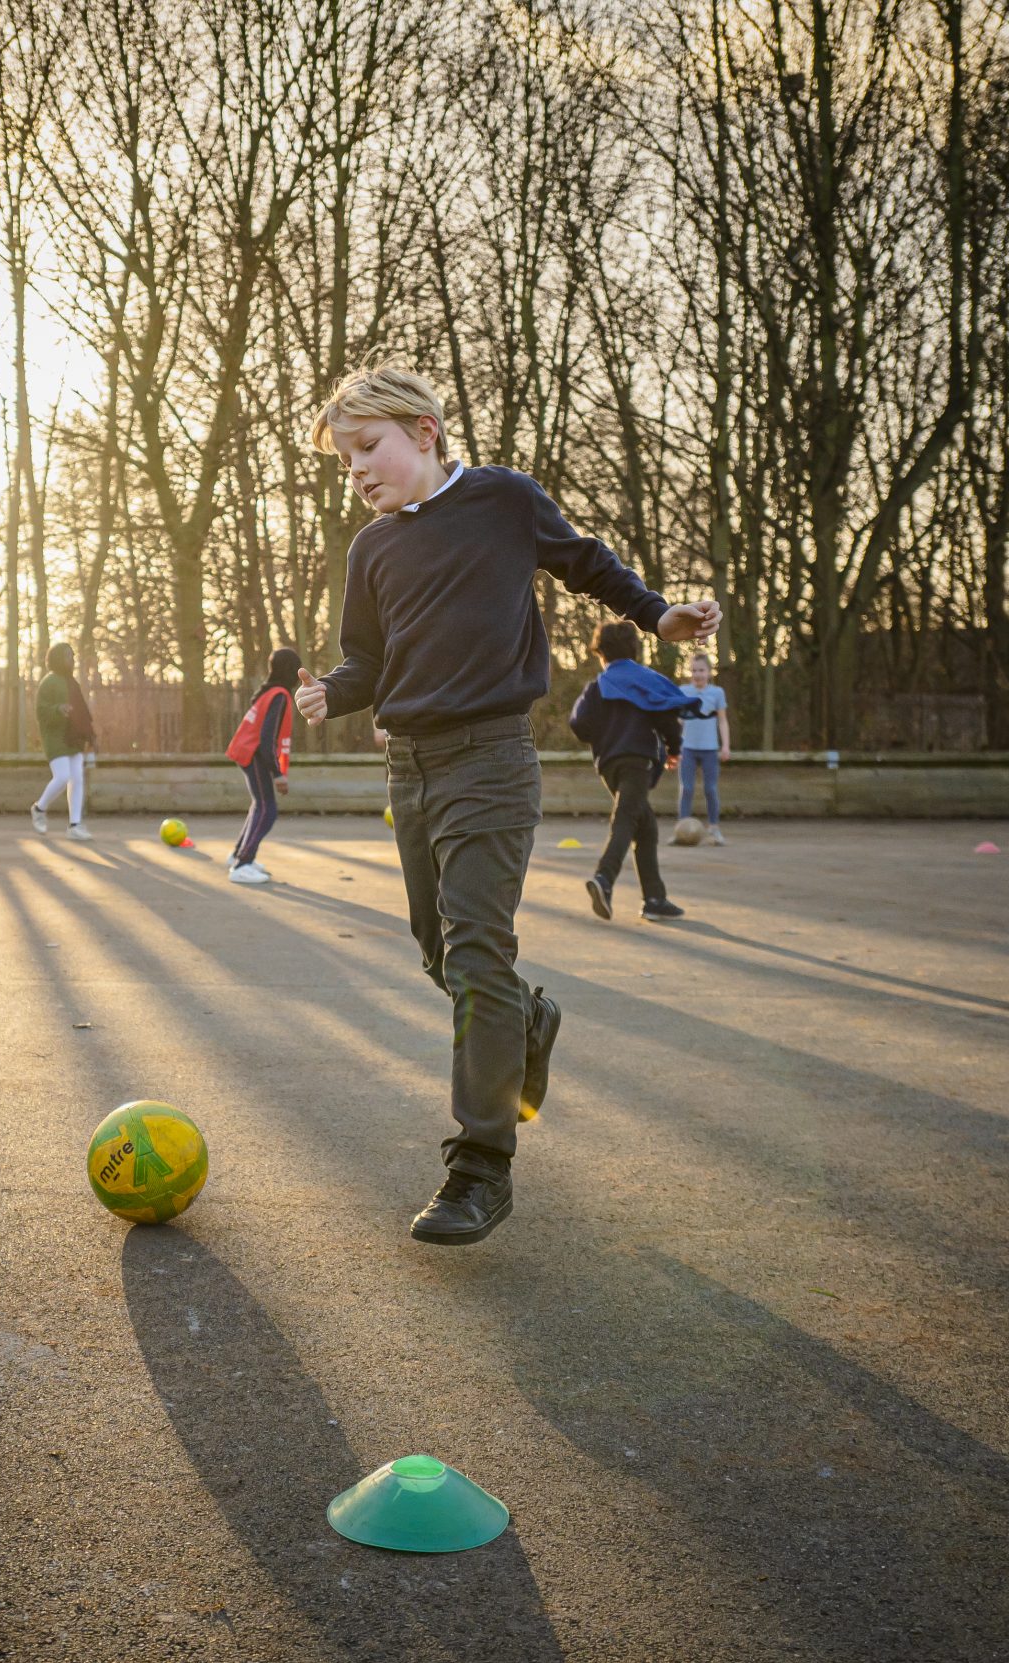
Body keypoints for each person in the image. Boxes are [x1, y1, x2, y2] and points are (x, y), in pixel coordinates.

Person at [295, 365, 719, 1246]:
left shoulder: (502, 500)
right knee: (438, 955)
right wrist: (329, 695)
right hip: (409, 769)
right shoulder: (372, 550)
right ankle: (531, 1017)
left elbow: (584, 563)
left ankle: (479, 1166)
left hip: (490, 759)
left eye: (367, 448)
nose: (357, 471)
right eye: (343, 462)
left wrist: (655, 612)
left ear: (424, 430)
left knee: (477, 953)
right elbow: (366, 661)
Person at [568, 622, 688, 921]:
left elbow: (579, 724)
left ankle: (655, 899)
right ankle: (604, 879)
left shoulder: (597, 686)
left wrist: (605, 732)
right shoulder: (643, 681)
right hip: (638, 761)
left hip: (609, 765)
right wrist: (674, 748)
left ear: (601, 654)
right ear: (634, 651)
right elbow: (667, 715)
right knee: (626, 819)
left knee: (645, 827)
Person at [225, 646, 298, 885]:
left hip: (249, 752)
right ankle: (242, 865)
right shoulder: (279, 695)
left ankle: (239, 854)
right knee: (268, 809)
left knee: (259, 805)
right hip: (255, 754)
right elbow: (267, 739)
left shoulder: (269, 692)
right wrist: (278, 774)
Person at [31, 642, 97, 842]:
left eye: (73, 656)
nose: (72, 660)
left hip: (73, 737)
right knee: (62, 777)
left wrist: (89, 735)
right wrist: (58, 709)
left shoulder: (72, 683)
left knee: (77, 778)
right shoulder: (48, 682)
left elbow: (83, 712)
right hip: (56, 738)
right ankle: (39, 808)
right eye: (68, 656)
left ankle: (74, 825)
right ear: (58, 658)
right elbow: (41, 712)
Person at [673, 651, 731, 846]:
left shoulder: (717, 693)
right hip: (687, 748)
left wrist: (726, 746)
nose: (698, 674)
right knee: (686, 788)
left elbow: (722, 721)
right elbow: (678, 721)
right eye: (694, 670)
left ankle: (714, 829)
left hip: (709, 749)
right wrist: (673, 745)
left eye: (702, 670)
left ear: (709, 672)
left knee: (710, 789)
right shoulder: (683, 691)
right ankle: (680, 830)